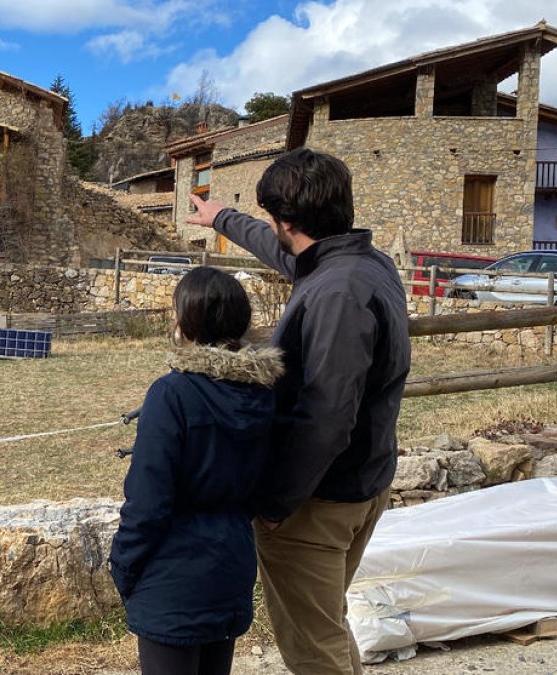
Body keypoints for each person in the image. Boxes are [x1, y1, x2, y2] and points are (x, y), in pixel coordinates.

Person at [186, 148, 411, 674]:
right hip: (361, 482)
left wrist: (276, 503)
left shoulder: (337, 294)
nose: (270, 227)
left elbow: (327, 417)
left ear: (288, 221)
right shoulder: (361, 264)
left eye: (271, 217)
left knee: (313, 651)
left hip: (318, 500)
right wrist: (221, 217)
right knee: (326, 626)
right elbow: (282, 250)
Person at [110, 267, 283, 675]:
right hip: (231, 565)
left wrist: (123, 565)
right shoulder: (262, 393)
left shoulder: (172, 394)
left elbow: (147, 500)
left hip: (172, 576)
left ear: (187, 322)